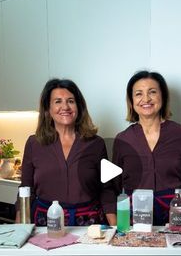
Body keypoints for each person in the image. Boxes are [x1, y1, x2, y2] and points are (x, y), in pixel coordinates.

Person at [15, 78, 116, 226]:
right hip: (45, 224)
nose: (65, 107)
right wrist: (19, 226)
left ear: (79, 107)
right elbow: (26, 189)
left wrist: (117, 229)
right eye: (57, 101)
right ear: (47, 110)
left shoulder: (96, 144)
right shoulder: (34, 143)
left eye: (70, 101)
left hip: (89, 224)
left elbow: (106, 190)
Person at [112, 70, 181, 226]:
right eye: (139, 94)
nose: (146, 99)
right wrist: (116, 221)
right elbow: (112, 187)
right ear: (131, 101)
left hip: (175, 215)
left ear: (163, 97)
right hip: (134, 218)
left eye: (152, 92)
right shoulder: (122, 139)